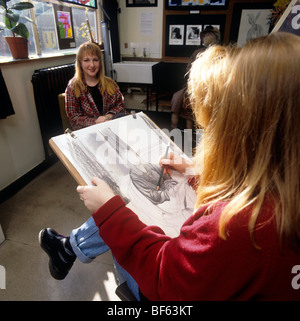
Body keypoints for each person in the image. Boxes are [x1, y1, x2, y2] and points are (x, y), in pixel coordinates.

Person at [39, 32, 300, 300]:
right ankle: (68, 248)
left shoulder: (241, 223)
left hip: (161, 289)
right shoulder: (279, 191)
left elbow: (163, 279)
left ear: (240, 129)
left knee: (125, 211)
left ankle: (69, 247)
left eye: (211, 126)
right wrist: (194, 173)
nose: (205, 136)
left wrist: (110, 214)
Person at [65, 42, 126, 130]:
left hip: (112, 128)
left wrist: (108, 116)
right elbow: (74, 119)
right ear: (80, 63)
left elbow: (121, 105)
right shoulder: (73, 87)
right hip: (88, 134)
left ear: (100, 62)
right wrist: (97, 122)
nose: (92, 65)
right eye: (86, 60)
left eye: (95, 60)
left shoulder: (110, 83)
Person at [171, 26, 221, 129]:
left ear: (215, 37)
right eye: (206, 36)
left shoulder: (220, 53)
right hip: (194, 85)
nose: (207, 37)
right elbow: (189, 68)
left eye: (209, 35)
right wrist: (195, 77)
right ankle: (175, 132)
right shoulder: (197, 52)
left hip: (212, 88)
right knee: (178, 99)